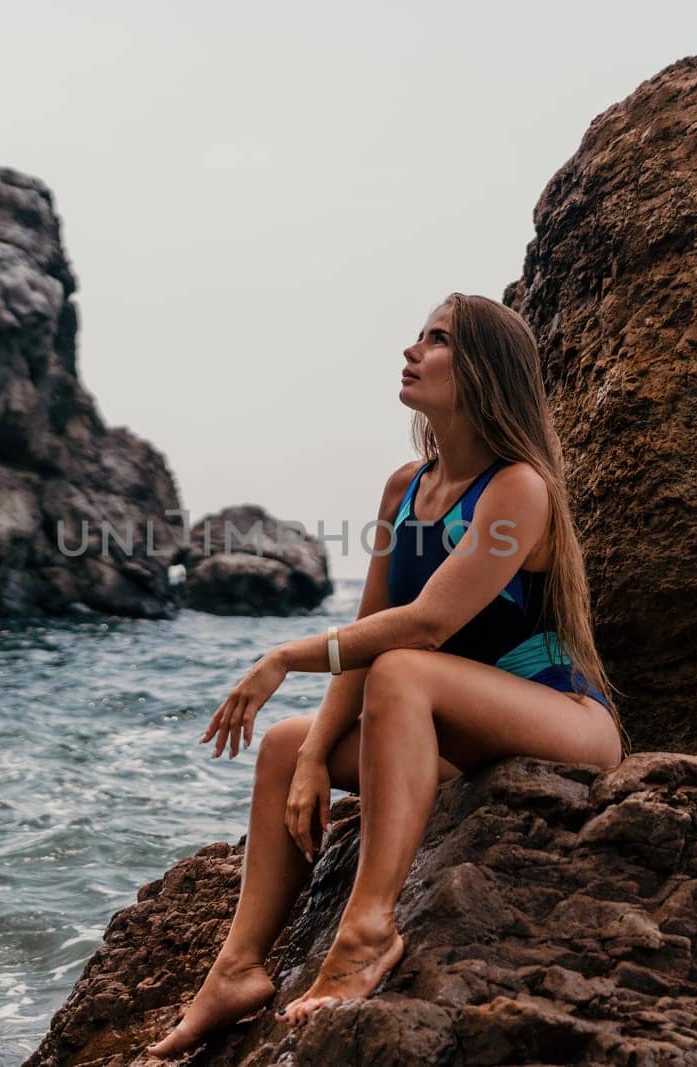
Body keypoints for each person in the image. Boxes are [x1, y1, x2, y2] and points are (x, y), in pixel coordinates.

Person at [145, 292, 630, 1058]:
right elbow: (370, 631)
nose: (413, 349)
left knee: (406, 667)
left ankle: (368, 930)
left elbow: (423, 626)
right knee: (281, 745)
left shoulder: (517, 487)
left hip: (561, 717)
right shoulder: (404, 488)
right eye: (419, 334)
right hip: (455, 729)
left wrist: (281, 657)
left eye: (438, 340)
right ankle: (235, 971)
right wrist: (312, 757)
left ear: (482, 373)